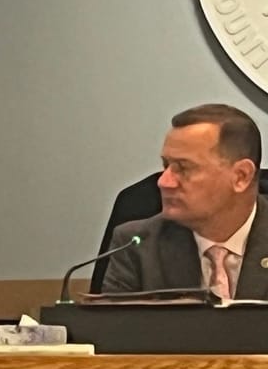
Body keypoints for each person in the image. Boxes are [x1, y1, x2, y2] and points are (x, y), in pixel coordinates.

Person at [99, 103, 268, 300]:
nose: (163, 182)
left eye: (183, 168)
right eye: (166, 165)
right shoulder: (137, 245)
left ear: (241, 176)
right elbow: (118, 320)